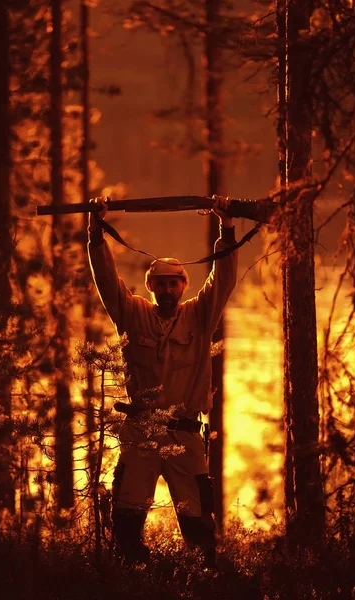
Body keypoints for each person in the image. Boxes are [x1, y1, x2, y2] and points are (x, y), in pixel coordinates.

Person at [87, 195, 238, 568]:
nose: (168, 290)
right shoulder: (132, 313)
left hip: (186, 437)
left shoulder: (201, 316)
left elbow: (224, 278)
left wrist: (227, 228)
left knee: (199, 524)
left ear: (184, 286)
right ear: (150, 286)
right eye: (161, 284)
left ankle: (204, 580)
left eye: (174, 284)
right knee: (126, 518)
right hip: (141, 432)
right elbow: (107, 281)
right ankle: (138, 575)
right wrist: (96, 232)